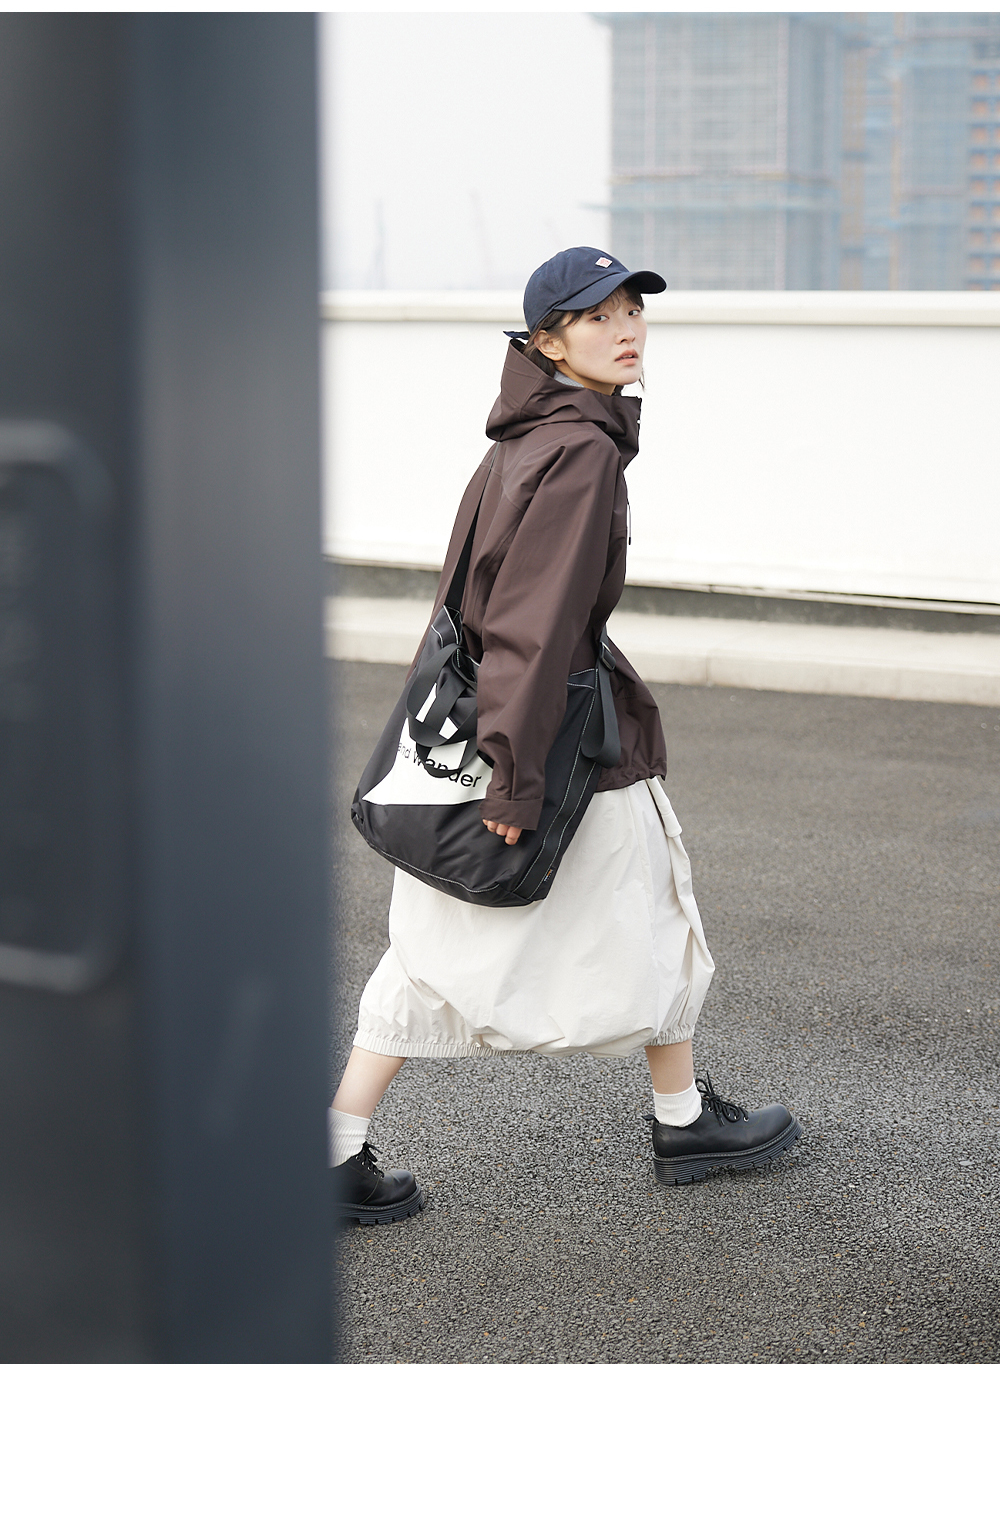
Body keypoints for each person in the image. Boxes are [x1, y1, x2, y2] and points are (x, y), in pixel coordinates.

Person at [330, 247, 801, 1224]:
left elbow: (466, 604)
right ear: (547, 341)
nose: (626, 330)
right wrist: (514, 775)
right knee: (660, 914)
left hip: (509, 724)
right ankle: (682, 1122)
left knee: (430, 945)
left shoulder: (527, 432)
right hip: (557, 738)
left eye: (632, 310)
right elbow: (531, 624)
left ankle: (333, 1149)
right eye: (597, 317)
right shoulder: (581, 449)